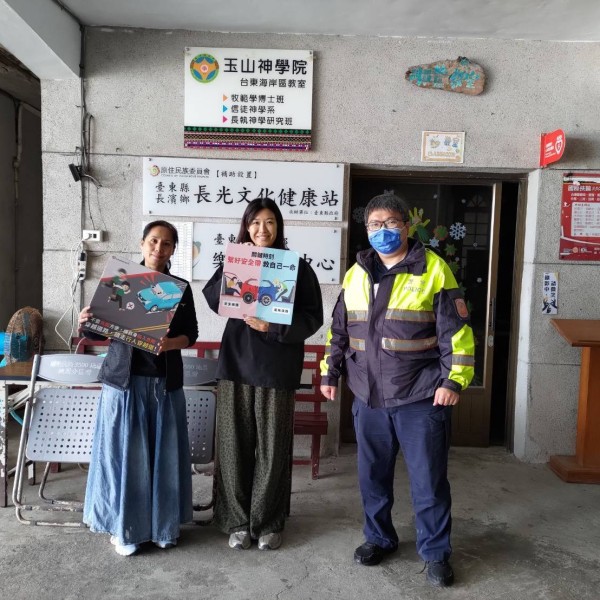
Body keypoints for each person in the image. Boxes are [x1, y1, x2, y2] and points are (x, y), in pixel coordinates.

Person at [320, 192, 475, 587]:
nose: (382, 231)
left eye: (390, 223)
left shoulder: (434, 269)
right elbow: (339, 331)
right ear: (366, 229)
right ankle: (379, 538)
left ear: (407, 226)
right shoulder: (356, 273)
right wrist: (329, 373)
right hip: (368, 396)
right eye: (375, 224)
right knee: (372, 477)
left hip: (420, 396)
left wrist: (453, 380)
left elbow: (456, 333)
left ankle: (435, 553)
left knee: (428, 481)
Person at [202, 198, 323, 551]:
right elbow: (214, 299)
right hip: (237, 363)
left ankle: (268, 521)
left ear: (279, 226)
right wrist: (234, 265)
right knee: (233, 444)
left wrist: (273, 326)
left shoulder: (296, 267)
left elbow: (312, 318)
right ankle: (237, 521)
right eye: (255, 222)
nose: (262, 229)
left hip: (278, 366)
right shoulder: (237, 260)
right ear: (246, 226)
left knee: (273, 447)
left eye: (269, 222)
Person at [79, 220, 198, 556]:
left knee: (165, 457)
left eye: (167, 243)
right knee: (122, 458)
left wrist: (171, 343)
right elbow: (97, 332)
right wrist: (86, 320)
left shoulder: (179, 288)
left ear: (173, 250)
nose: (159, 248)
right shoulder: (122, 280)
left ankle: (163, 527)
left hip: (164, 383)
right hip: (124, 382)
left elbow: (191, 334)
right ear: (142, 243)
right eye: (153, 241)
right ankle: (125, 530)